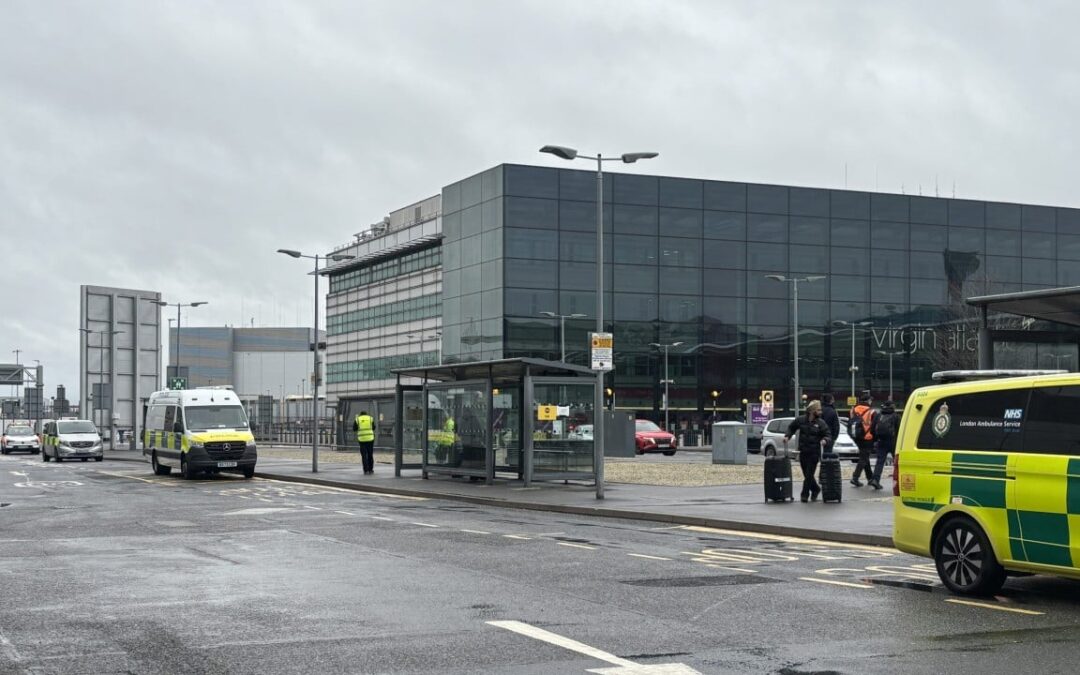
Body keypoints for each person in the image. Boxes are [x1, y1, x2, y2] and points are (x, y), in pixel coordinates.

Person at [784, 400, 832, 503]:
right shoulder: (801, 420)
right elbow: (791, 427)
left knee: (809, 474)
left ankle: (804, 495)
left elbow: (828, 434)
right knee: (806, 474)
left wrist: (825, 440)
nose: (820, 412)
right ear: (812, 411)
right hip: (803, 451)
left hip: (814, 453)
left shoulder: (821, 423)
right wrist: (787, 436)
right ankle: (816, 489)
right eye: (818, 410)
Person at [849, 393, 879, 488]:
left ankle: (869, 478)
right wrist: (875, 438)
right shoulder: (872, 411)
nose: (871, 402)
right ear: (868, 401)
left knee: (865, 457)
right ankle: (855, 477)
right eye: (870, 400)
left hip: (857, 437)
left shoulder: (854, 409)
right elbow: (875, 426)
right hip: (868, 437)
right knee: (864, 458)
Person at [870, 400, 899, 490]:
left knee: (880, 462)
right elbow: (899, 430)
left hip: (881, 441)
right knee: (897, 462)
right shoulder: (896, 416)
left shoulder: (878, 415)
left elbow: (872, 429)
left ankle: (875, 480)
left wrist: (876, 439)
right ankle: (899, 481)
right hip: (893, 442)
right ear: (892, 406)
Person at [354, 410, 375, 475]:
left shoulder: (357, 419)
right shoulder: (370, 418)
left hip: (362, 439)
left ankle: (365, 470)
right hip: (370, 439)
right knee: (370, 454)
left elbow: (354, 428)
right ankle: (371, 469)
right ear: (366, 414)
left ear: (360, 414)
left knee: (364, 455)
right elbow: (374, 427)